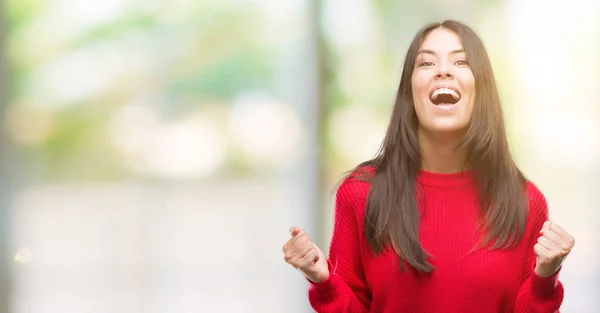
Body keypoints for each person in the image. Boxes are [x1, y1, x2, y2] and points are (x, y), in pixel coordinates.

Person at [281, 20, 575, 313]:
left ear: (482, 90)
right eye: (426, 63)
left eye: (461, 61)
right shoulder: (360, 194)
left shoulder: (525, 202)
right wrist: (322, 281)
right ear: (410, 90)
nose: (443, 70)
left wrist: (545, 278)